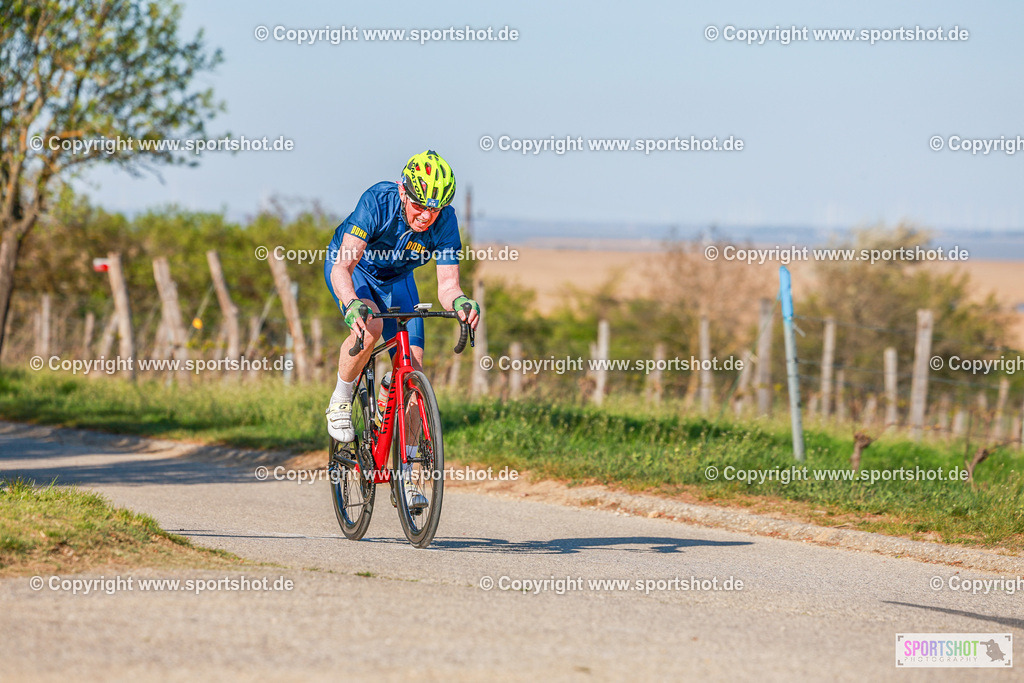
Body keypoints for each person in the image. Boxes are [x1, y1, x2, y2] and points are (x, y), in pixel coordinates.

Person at [323, 150, 480, 508]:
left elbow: (447, 284)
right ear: (403, 191)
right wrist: (352, 305)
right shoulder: (377, 201)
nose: (427, 216)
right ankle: (341, 399)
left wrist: (460, 302)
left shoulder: (445, 221)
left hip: (398, 280)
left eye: (435, 209)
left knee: (413, 364)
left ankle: (407, 471)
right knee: (373, 325)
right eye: (420, 206)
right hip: (355, 270)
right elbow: (342, 268)